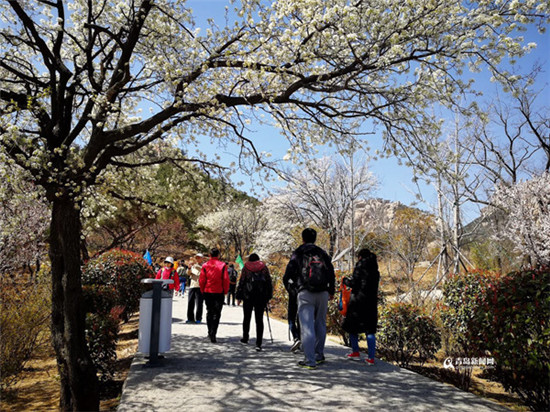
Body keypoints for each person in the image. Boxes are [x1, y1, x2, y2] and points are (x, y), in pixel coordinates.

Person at [283, 228, 335, 369]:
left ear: (303, 238)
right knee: (320, 324)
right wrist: (331, 291)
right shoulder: (322, 253)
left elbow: (287, 275)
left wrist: (293, 291)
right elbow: (331, 271)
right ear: (315, 238)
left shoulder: (299, 252)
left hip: (305, 292)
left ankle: (309, 361)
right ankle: (319, 355)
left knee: (307, 327)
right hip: (323, 292)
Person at [342, 248, 380, 365]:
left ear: (360, 257)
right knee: (370, 330)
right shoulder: (375, 270)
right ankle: (371, 357)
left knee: (352, 327)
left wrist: (345, 281)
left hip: (358, 301)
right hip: (371, 302)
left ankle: (355, 352)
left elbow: (354, 283)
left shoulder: (360, 267)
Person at [235, 253, 273, 351]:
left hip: (248, 296)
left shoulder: (246, 267)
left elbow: (242, 282)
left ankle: (245, 337)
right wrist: (268, 296)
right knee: (259, 319)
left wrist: (239, 296)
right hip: (260, 297)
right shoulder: (263, 267)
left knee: (246, 317)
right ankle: (258, 342)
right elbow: (268, 282)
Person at [199, 248, 230, 343]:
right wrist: (225, 291)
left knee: (209, 311)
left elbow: (202, 280)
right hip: (219, 291)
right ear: (218, 255)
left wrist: (202, 290)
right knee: (217, 313)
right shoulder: (223, 265)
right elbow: (225, 279)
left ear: (209, 255)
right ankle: (214, 333)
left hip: (208, 291)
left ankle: (209, 332)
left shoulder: (205, 265)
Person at [283, 266, 301, 352]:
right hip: (304, 293)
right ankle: (301, 338)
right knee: (301, 318)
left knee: (291, 318)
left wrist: (290, 288)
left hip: (293, 294)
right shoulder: (306, 261)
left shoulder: (293, 263)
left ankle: (296, 337)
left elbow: (286, 278)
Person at [186, 253, 205, 324]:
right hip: (192, 285)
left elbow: (203, 271)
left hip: (200, 286)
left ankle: (198, 318)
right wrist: (189, 268)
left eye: (199, 258)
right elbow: (188, 274)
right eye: (196, 258)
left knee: (199, 303)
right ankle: (190, 318)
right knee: (190, 302)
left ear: (202, 258)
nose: (197, 259)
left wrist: (196, 266)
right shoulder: (193, 265)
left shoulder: (204, 266)